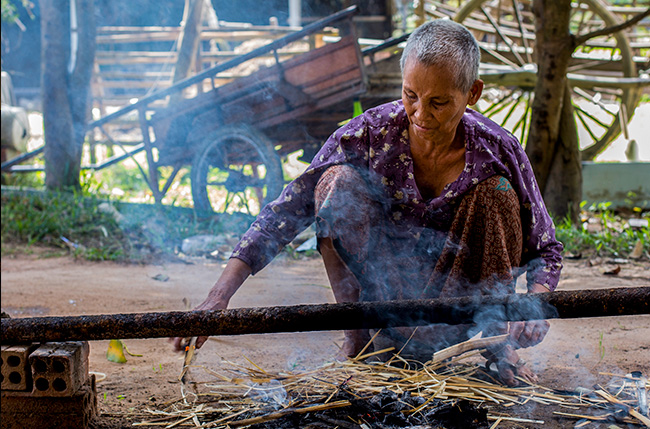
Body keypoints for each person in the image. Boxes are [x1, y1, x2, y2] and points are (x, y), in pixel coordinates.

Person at [172, 19, 563, 387]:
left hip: (463, 305)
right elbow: (288, 209)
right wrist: (219, 296)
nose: (420, 114)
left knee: (498, 193)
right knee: (333, 184)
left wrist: (535, 305)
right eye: (411, 95)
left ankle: (500, 348)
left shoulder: (497, 149)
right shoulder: (369, 134)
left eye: (438, 102)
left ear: (472, 94)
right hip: (383, 297)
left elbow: (545, 246)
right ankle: (358, 341)